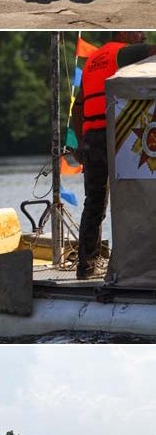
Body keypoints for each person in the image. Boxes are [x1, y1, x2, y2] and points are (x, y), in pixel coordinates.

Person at [72, 32, 156, 278]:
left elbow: (78, 108)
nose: (142, 35)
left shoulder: (91, 61)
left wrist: (80, 143)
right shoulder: (124, 51)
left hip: (91, 138)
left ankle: (86, 265)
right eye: (137, 31)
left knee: (94, 203)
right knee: (134, 198)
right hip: (117, 135)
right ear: (123, 33)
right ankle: (135, 264)